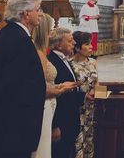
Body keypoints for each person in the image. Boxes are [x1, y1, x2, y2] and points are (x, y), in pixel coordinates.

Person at [0, 0, 47, 158]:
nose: (40, 14)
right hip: (13, 127)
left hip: (10, 126)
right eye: (37, 10)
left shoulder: (11, 35)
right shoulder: (18, 40)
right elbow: (8, 85)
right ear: (26, 13)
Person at [32, 14, 77, 158]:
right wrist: (60, 89)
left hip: (53, 105)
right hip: (48, 108)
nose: (51, 33)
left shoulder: (44, 52)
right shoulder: (39, 53)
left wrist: (60, 87)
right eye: (50, 29)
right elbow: (37, 86)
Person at [48, 28, 84, 158]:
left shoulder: (65, 59)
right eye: (70, 40)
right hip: (61, 122)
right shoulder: (51, 62)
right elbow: (52, 97)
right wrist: (55, 125)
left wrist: (84, 96)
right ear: (58, 45)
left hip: (70, 120)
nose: (74, 43)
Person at [71, 31, 98, 158]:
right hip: (78, 107)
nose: (91, 47)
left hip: (91, 108)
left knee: (89, 140)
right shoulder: (71, 64)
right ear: (77, 47)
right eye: (87, 44)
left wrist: (96, 91)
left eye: (90, 44)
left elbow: (96, 81)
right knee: (78, 141)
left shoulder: (92, 62)